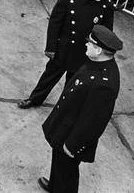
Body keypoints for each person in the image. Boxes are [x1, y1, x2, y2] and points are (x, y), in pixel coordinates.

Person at [37, 25, 122, 193]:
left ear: (98, 50)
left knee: (67, 174)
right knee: (58, 164)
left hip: (72, 136)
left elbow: (93, 123)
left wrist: (73, 145)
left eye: (90, 43)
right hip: (64, 126)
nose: (86, 45)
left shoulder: (104, 84)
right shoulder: (95, 62)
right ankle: (55, 186)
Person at [18, 0, 114, 109]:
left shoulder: (106, 7)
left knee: (73, 84)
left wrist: (99, 57)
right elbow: (55, 24)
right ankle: (34, 99)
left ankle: (63, 107)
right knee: (49, 77)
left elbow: (106, 33)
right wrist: (50, 47)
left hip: (84, 53)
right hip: (63, 49)